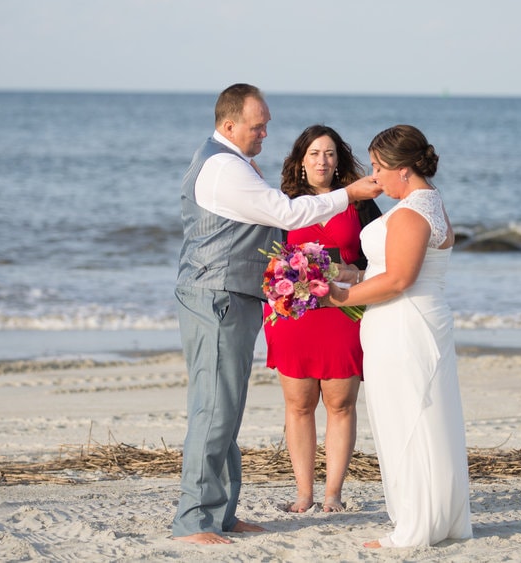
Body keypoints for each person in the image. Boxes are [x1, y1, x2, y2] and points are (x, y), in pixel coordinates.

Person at [172, 84, 382, 545]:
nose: (266, 132)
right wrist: (347, 194)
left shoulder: (229, 161)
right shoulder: (224, 166)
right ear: (229, 126)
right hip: (217, 296)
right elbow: (285, 214)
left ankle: (221, 515)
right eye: (257, 124)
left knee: (225, 412)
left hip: (232, 297)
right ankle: (194, 522)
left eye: (266, 123)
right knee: (213, 410)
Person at [327, 124, 472, 549]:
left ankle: (414, 527)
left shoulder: (411, 211)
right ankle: (437, 519)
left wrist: (342, 297)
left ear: (404, 170)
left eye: (378, 167)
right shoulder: (428, 203)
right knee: (425, 418)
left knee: (406, 420)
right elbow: (394, 271)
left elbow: (399, 279)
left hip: (404, 325)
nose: (373, 177)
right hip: (416, 321)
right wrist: (353, 274)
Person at [263, 125, 382, 514]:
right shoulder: (282, 204)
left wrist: (355, 271)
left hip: (343, 311)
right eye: (314, 153)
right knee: (298, 405)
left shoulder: (360, 203)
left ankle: (332, 494)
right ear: (299, 162)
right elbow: (265, 258)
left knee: (341, 404)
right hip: (295, 316)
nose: (322, 160)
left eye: (329, 153)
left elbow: (380, 259)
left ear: (339, 160)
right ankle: (303, 494)